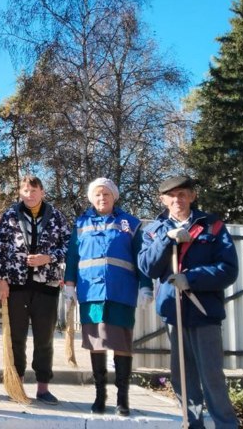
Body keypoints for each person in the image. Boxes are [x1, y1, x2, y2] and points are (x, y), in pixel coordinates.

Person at [138, 175, 239, 429]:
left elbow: (228, 269)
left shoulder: (212, 226)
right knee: (183, 376)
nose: (177, 200)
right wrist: (167, 239)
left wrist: (191, 278)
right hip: (173, 311)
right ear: (162, 200)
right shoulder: (153, 231)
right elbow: (147, 267)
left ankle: (226, 425)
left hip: (204, 311)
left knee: (212, 376)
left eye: (182, 194)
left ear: (192, 196)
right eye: (171, 196)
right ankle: (192, 423)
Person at [64, 177, 153, 416]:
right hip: (91, 292)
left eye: (106, 194)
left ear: (115, 196)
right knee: (96, 342)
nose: (102, 198)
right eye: (97, 195)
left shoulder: (127, 223)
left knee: (122, 342)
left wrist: (146, 286)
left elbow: (140, 257)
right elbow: (73, 255)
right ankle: (99, 396)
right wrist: (69, 285)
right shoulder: (81, 223)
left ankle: (122, 398)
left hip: (121, 291)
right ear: (91, 198)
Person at [0, 176, 71, 405]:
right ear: (20, 192)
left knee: (44, 338)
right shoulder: (10, 215)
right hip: (16, 285)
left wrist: (48, 257)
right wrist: (1, 279)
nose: (29, 195)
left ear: (42, 192)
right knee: (16, 337)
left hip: (46, 286)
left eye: (33, 190)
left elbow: (69, 245)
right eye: (25, 190)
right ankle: (16, 385)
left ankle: (43, 387)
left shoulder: (55, 216)